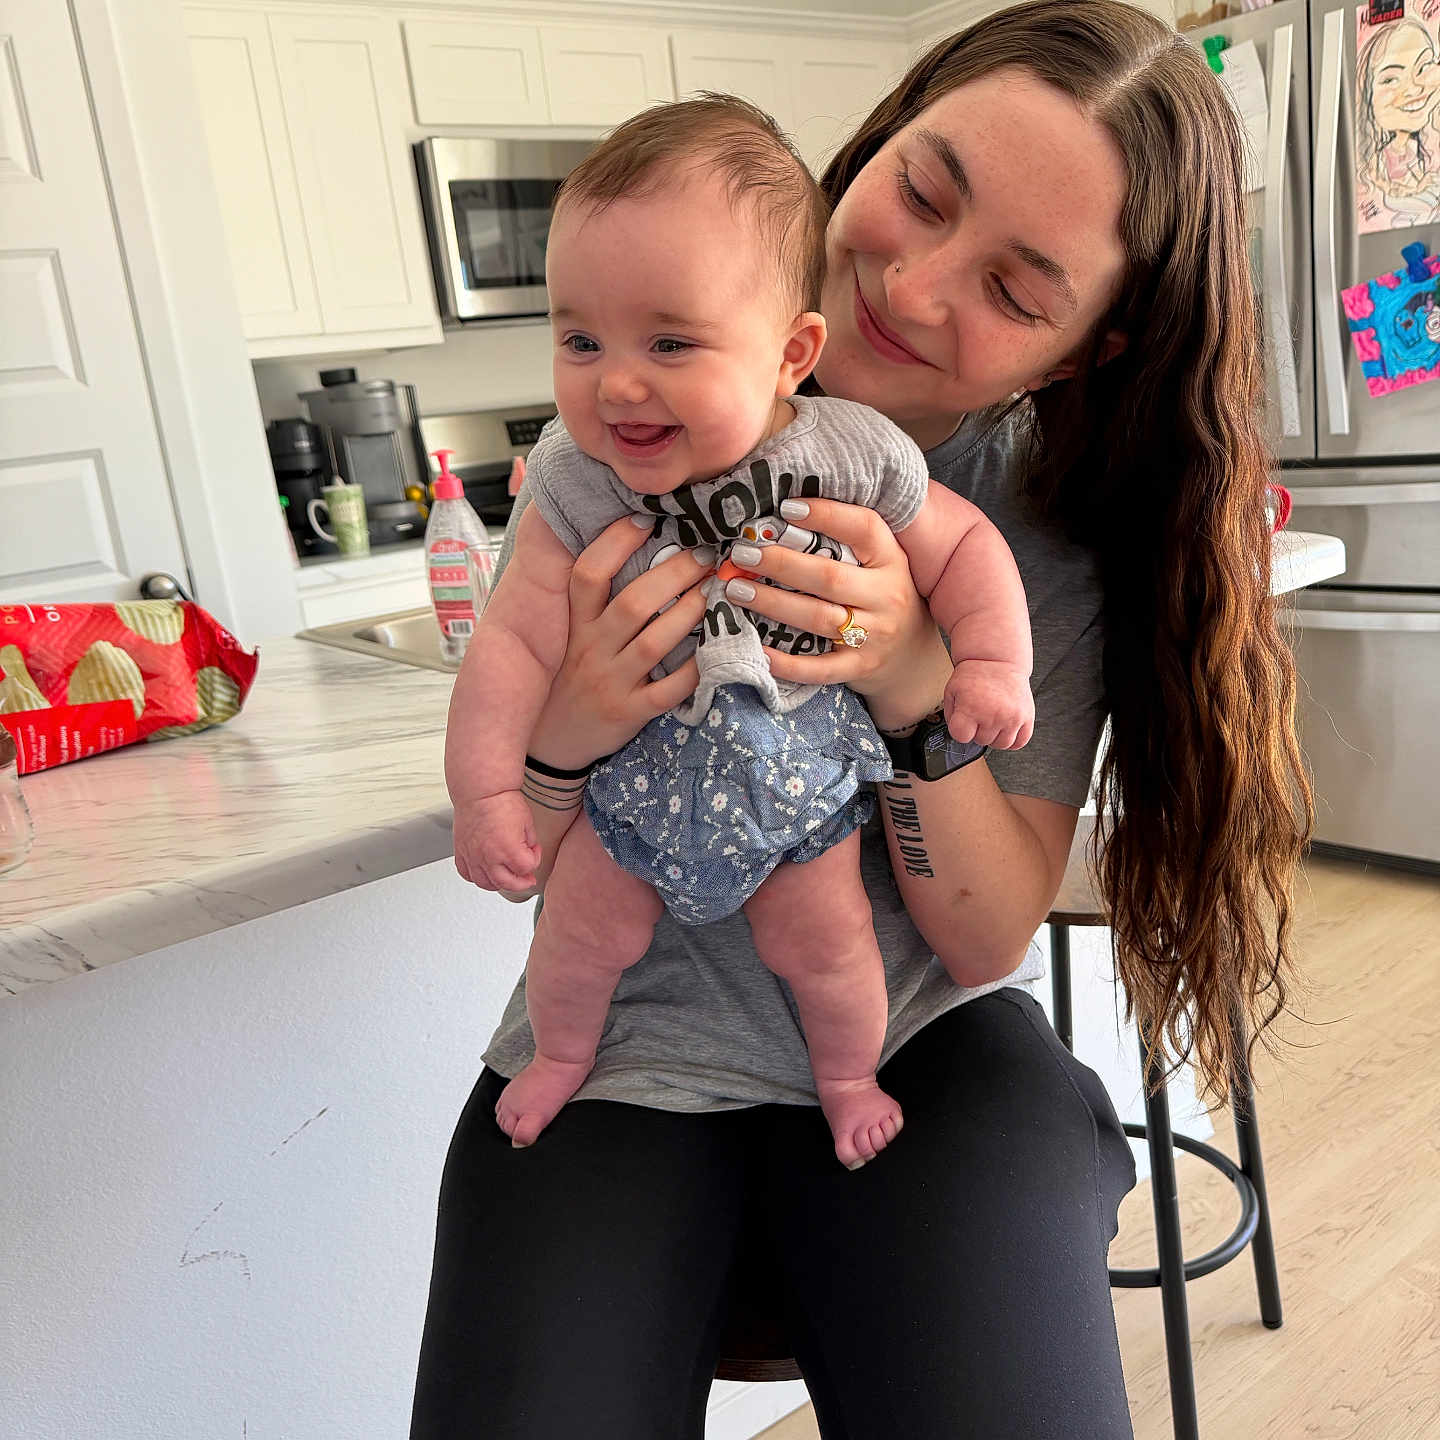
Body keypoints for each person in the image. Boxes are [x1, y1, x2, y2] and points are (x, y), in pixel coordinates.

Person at [410, 2, 1312, 1435]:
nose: (917, 282)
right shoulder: (619, 436)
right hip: (627, 1045)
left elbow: (981, 934)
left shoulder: (1040, 536)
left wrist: (908, 679)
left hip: (916, 1041)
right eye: (926, 189)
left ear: (1082, 351)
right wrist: (564, 733)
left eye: (1018, 291)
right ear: (884, 127)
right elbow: (531, 817)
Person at [449, 97, 1033, 1170]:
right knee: (581, 941)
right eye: (579, 338)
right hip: (633, 800)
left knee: (829, 950)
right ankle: (564, 1059)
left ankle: (847, 1077)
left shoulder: (846, 451)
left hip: (796, 796)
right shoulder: (578, 483)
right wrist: (490, 792)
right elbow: (511, 649)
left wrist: (986, 661)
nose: (617, 380)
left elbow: (963, 548)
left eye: (670, 340)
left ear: (790, 353)